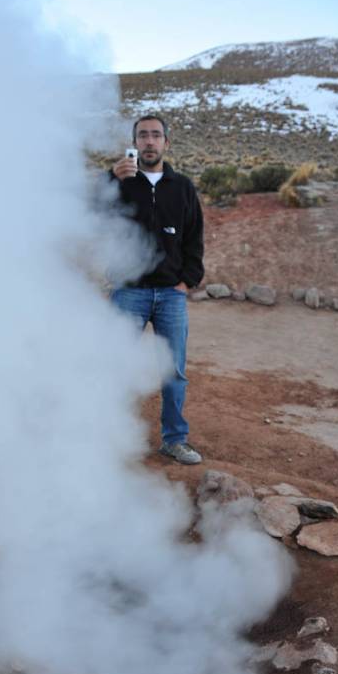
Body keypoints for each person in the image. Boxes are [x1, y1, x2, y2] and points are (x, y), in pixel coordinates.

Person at [110, 114, 204, 465]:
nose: (149, 142)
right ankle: (109, 438)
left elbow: (195, 237)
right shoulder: (120, 181)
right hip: (128, 291)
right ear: (135, 142)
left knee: (174, 371)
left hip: (170, 294)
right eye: (143, 136)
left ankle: (174, 440)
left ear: (167, 142)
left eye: (155, 135)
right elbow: (87, 215)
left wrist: (187, 280)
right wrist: (109, 178)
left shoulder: (182, 187)